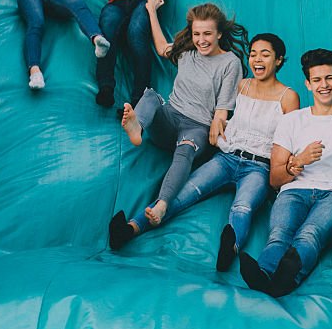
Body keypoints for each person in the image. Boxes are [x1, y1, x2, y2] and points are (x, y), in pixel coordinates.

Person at [108, 34, 300, 271]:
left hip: (258, 166)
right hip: (227, 158)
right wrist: (219, 126)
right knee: (183, 193)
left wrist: (284, 170)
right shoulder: (242, 85)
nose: (257, 59)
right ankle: (130, 228)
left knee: (243, 206)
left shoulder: (288, 96)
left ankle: (230, 249)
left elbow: (288, 138)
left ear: (279, 61)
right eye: (253, 54)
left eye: (265, 54)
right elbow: (223, 114)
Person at [240, 48, 332, 297]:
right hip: (295, 190)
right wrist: (299, 161)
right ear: (308, 84)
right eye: (317, 80)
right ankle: (264, 275)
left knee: (309, 234)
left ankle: (286, 278)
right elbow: (275, 179)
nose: (324, 85)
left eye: (329, 78)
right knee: (278, 235)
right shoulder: (291, 121)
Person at [108, 0, 248, 249]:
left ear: (219, 34)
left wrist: (216, 133)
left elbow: (222, 110)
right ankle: (137, 127)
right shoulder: (187, 53)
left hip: (197, 128)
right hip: (170, 118)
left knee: (186, 148)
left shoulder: (230, 63)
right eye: (197, 34)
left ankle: (161, 205)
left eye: (207, 34)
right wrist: (151, 11)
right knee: (150, 95)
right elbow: (161, 46)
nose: (201, 40)